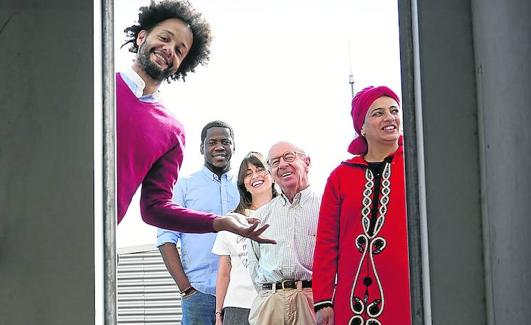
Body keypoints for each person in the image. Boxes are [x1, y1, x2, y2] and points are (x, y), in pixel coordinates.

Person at [116, 0, 272, 243]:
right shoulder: (97, 84)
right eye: (165, 38)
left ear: (180, 66)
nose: (169, 49)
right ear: (141, 37)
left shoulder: (172, 132)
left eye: (180, 50)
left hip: (87, 239)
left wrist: (217, 222)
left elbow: (154, 207)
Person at [312, 86, 412, 325]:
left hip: (407, 293)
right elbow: (326, 241)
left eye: (394, 110)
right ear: (362, 127)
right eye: (377, 113)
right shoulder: (340, 176)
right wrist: (324, 299)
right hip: (351, 298)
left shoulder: (418, 165)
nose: (389, 117)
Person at [157, 120, 239, 324]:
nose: (219, 147)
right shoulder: (184, 186)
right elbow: (166, 240)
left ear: (233, 146)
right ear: (202, 148)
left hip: (239, 296)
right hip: (199, 294)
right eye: (212, 142)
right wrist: (187, 289)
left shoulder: (244, 185)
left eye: (225, 141)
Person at [247, 141, 321, 325]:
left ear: (307, 162)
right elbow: (254, 267)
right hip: (270, 304)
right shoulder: (260, 216)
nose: (282, 165)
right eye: (274, 162)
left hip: (313, 302)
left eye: (289, 157)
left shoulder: (328, 208)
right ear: (271, 172)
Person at [211, 152, 278, 325]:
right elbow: (224, 271)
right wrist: (219, 314)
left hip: (276, 304)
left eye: (260, 169)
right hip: (238, 307)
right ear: (243, 184)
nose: (255, 176)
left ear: (272, 174)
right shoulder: (232, 221)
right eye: (248, 174)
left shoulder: (286, 213)